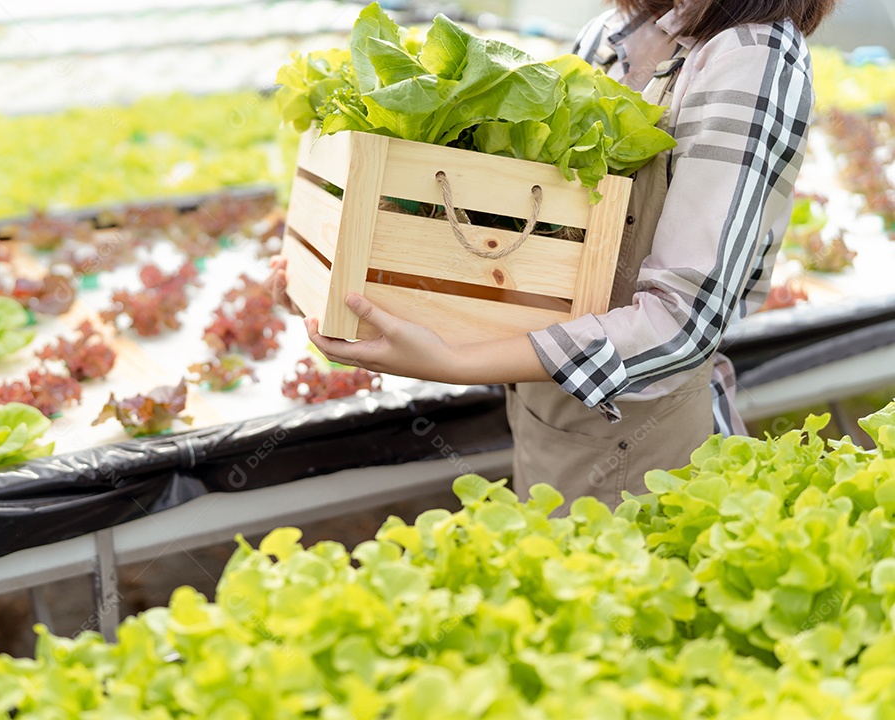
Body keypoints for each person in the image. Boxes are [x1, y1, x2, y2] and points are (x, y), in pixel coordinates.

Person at [270, 0, 837, 510]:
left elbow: (682, 322)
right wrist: (342, 270)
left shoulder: (752, 56)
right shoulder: (614, 33)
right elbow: (534, 243)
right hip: (546, 419)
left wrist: (453, 363)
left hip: (648, 444)